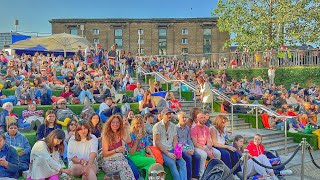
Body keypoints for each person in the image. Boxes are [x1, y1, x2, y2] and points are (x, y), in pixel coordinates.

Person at [153, 108, 187, 180]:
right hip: (162, 151)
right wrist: (168, 153)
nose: (169, 116)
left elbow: (175, 141)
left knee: (183, 162)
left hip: (171, 149)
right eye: (167, 114)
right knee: (172, 163)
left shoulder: (173, 126)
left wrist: (177, 152)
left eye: (170, 114)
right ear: (162, 115)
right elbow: (157, 143)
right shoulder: (157, 126)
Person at [101, 114, 135, 179]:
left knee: (126, 169)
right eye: (113, 122)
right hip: (109, 161)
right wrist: (116, 150)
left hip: (120, 159)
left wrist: (126, 128)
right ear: (110, 124)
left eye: (117, 122)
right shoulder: (106, 136)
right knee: (125, 166)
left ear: (120, 124)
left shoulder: (120, 133)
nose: (115, 124)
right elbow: (105, 154)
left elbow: (128, 141)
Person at [191, 113, 221, 177]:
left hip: (205, 146)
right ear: (197, 119)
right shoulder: (194, 128)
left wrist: (210, 147)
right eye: (201, 118)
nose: (203, 119)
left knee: (217, 153)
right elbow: (195, 143)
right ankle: (202, 174)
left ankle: (215, 171)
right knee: (204, 154)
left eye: (204, 117)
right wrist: (207, 151)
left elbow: (209, 140)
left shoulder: (206, 128)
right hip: (197, 147)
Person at [127, 115, 156, 180]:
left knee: (153, 161)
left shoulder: (144, 134)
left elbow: (147, 148)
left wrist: (152, 155)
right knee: (151, 161)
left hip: (142, 155)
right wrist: (137, 140)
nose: (139, 125)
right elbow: (131, 152)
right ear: (134, 124)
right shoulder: (130, 135)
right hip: (133, 156)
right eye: (137, 123)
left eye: (140, 123)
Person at [176, 111, 201, 180]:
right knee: (188, 157)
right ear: (178, 118)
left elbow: (189, 140)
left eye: (185, 117)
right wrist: (185, 150)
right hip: (180, 148)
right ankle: (189, 177)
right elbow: (176, 143)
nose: (184, 119)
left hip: (187, 146)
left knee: (197, 156)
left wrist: (192, 148)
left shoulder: (187, 128)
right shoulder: (175, 128)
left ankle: (195, 176)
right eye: (182, 117)